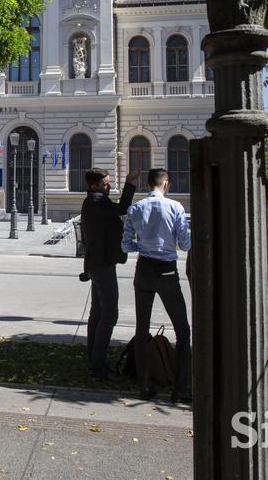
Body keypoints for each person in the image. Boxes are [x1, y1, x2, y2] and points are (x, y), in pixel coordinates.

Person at [122, 168, 192, 404]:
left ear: (148, 184)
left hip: (144, 270)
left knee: (141, 329)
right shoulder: (176, 208)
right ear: (166, 184)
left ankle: (145, 384)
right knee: (182, 329)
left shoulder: (136, 208)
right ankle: (180, 387)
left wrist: (143, 247)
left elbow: (126, 245)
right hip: (167, 270)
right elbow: (184, 243)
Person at [79, 167, 139, 382]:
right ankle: (97, 367)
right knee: (109, 314)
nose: (109, 186)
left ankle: (94, 361)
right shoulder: (96, 201)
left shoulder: (94, 201)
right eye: (106, 183)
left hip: (98, 263)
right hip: (102, 265)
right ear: (95, 186)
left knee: (97, 313)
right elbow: (122, 208)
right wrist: (130, 183)